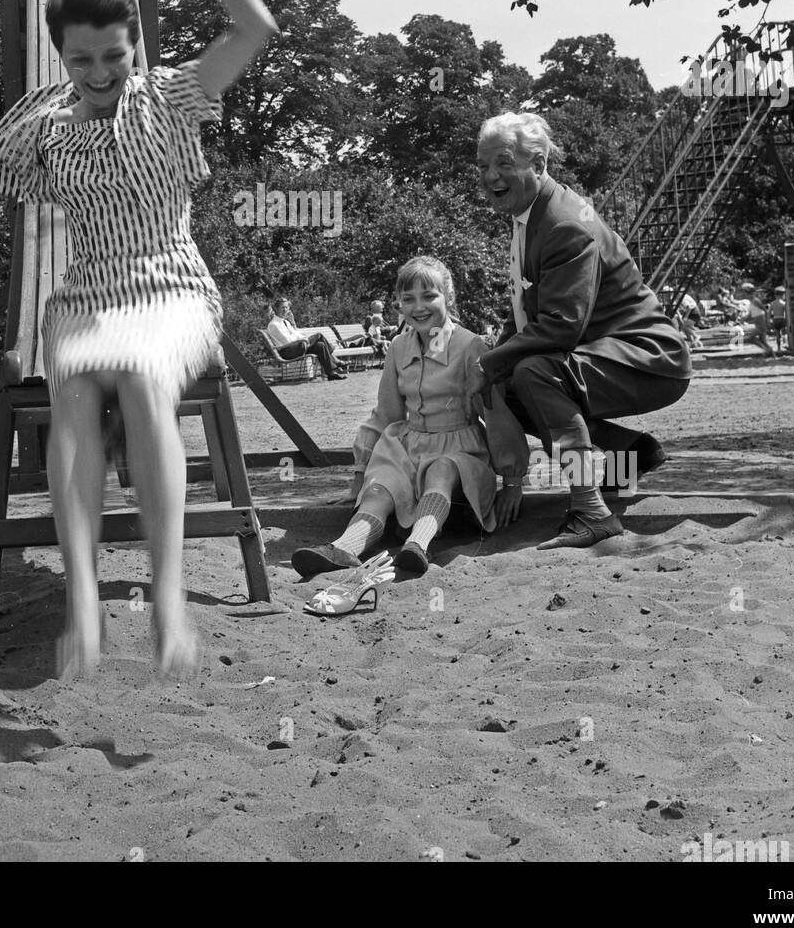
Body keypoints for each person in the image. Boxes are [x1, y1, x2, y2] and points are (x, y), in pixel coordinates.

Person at [0, 0, 278, 681]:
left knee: (142, 377)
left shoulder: (171, 101)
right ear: (62, 57)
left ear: (135, 47)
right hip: (83, 293)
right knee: (73, 394)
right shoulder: (44, 126)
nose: (100, 71)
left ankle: (168, 602)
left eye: (113, 54)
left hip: (172, 283)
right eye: (80, 59)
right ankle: (83, 604)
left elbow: (256, 29)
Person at [476, 112, 691, 549]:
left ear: (537, 165)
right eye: (482, 166)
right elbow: (527, 311)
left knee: (534, 373)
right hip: (617, 351)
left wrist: (487, 363)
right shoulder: (531, 216)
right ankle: (628, 455)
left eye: (502, 163)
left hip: (649, 356)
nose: (490, 176)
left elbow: (560, 326)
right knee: (507, 387)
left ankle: (592, 510)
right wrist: (489, 366)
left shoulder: (563, 223)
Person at [291, 256, 504, 579]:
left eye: (429, 296)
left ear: (448, 296)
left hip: (460, 449)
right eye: (408, 299)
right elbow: (386, 413)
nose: (419, 307)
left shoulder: (470, 345)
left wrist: (513, 480)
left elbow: (495, 414)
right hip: (410, 444)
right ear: (400, 305)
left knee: (442, 470)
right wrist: (360, 479)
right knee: (380, 488)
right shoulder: (398, 348)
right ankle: (344, 548)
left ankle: (418, 545)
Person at [265, 298, 348, 380]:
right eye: (282, 307)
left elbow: (296, 334)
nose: (285, 310)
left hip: (296, 347)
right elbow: (288, 341)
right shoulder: (274, 324)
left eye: (286, 307)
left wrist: (299, 332)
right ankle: (336, 361)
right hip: (287, 351)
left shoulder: (286, 322)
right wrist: (304, 340)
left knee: (320, 346)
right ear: (276, 308)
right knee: (319, 335)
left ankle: (331, 374)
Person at [739, 282, 774, 356]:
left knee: (751, 338)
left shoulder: (755, 300)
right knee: (763, 341)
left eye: (743, 292)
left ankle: (767, 350)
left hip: (761, 323)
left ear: (747, 292)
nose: (742, 294)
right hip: (759, 323)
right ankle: (771, 353)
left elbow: (764, 310)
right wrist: (744, 319)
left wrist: (767, 321)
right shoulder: (752, 301)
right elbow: (753, 313)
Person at [769, 286, 788, 353]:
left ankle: (779, 348)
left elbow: (769, 313)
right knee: (784, 333)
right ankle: (785, 345)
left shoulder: (772, 303)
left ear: (775, 295)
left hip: (775, 319)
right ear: (781, 295)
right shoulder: (783, 303)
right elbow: (786, 313)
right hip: (782, 318)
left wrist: (769, 320)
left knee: (777, 334)